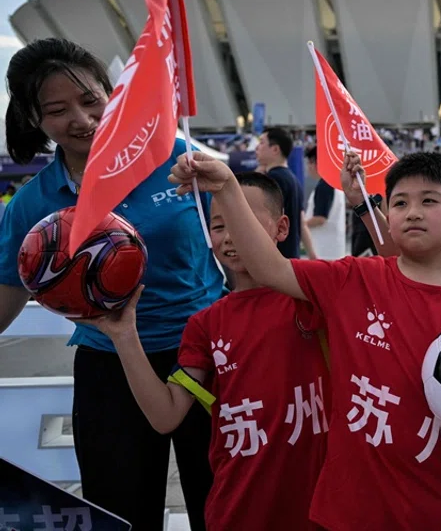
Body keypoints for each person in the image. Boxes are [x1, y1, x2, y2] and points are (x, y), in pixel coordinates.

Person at [168, 150, 441, 531]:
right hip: (354, 512)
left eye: (429, 200)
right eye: (400, 202)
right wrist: (229, 189)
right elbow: (271, 268)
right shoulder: (353, 279)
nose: (412, 212)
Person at [0, 38, 221, 530]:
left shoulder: (177, 161)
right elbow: (6, 293)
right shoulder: (34, 205)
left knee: (224, 506)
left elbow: (246, 252)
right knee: (119, 512)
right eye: (57, 110)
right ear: (34, 119)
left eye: (91, 100)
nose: (81, 119)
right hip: (108, 368)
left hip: (207, 357)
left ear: (113, 94)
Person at [81, 172, 329, 530]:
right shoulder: (206, 325)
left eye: (243, 222)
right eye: (218, 226)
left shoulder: (315, 295)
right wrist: (124, 336)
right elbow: (166, 416)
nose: (231, 237)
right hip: (239, 511)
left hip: (315, 511)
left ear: (281, 227)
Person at [255, 127, 306, 259]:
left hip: (275, 258)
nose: (257, 147)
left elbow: (264, 220)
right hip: (290, 256)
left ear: (275, 149)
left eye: (261, 143)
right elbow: (301, 221)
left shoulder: (273, 179)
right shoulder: (293, 179)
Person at [304, 145, 346, 260]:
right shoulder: (334, 183)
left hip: (323, 252)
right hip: (332, 251)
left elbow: (320, 218)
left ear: (317, 163)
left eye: (309, 163)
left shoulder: (324, 185)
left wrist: (300, 225)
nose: (308, 167)